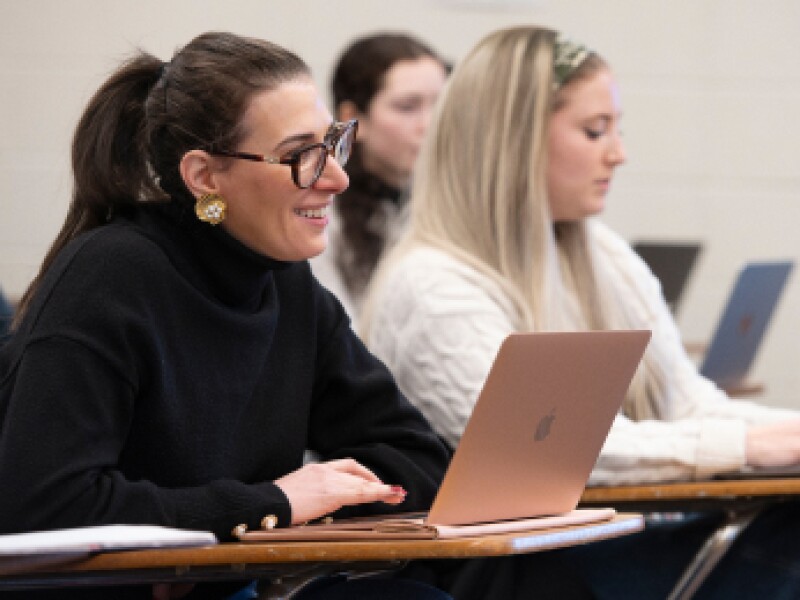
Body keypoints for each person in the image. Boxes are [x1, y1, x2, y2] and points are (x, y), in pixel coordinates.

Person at [0, 31, 452, 600]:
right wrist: (274, 503)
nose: (336, 178)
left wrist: (311, 502)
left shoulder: (287, 285)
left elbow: (419, 456)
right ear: (205, 178)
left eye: (333, 144)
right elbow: (43, 506)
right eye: (300, 157)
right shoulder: (110, 275)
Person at [361, 25, 800, 599]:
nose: (618, 153)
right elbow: (552, 459)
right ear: (512, 142)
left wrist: (781, 430)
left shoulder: (598, 250)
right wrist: (751, 446)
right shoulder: (431, 287)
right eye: (595, 131)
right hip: (518, 571)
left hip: (594, 543)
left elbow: (687, 403)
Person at [310, 32, 448, 322]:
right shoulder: (321, 212)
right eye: (408, 107)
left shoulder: (452, 203)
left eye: (442, 105)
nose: (431, 125)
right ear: (354, 120)